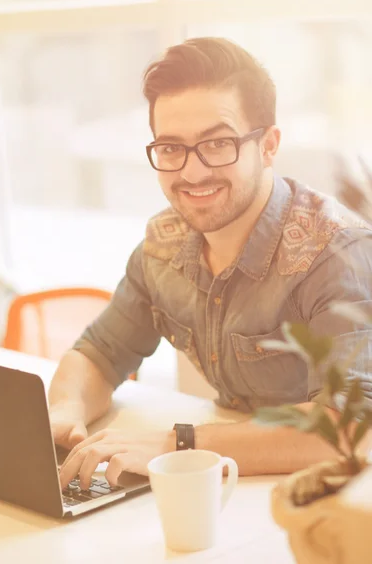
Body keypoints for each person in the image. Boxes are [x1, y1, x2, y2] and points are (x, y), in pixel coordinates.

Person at [50, 37, 372, 490]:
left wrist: (178, 445)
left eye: (217, 144)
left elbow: (346, 428)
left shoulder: (336, 254)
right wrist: (64, 414)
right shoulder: (163, 246)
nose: (192, 172)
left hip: (334, 502)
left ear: (269, 145)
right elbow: (99, 353)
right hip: (235, 491)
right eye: (170, 148)